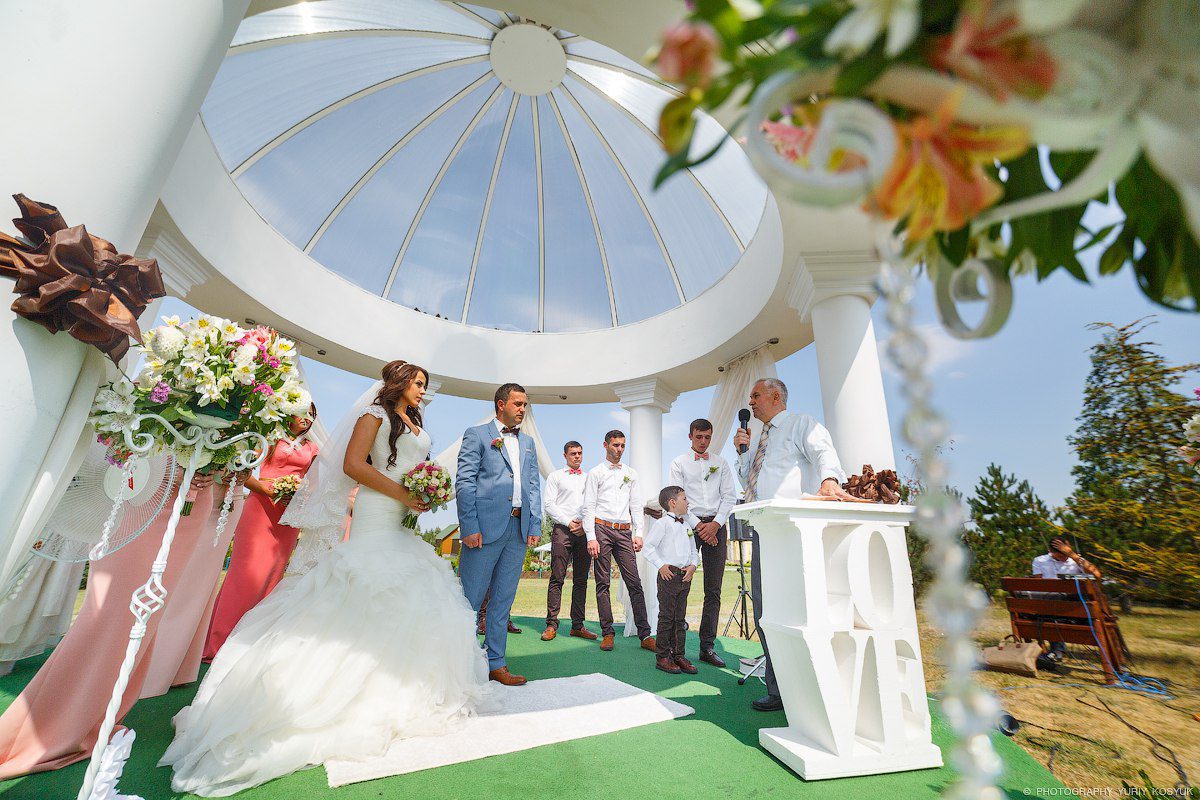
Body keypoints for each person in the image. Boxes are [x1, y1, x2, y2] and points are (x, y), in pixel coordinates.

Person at [161, 361, 490, 796]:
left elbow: (410, 465)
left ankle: (395, 679)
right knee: (367, 584)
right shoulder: (373, 415)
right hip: (377, 509)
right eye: (417, 383)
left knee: (413, 589)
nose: (422, 390)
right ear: (398, 383)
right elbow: (353, 465)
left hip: (400, 514)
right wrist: (402, 492)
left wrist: (423, 492)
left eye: (425, 385)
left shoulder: (413, 422)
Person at [0, 474, 218, 779]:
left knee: (147, 616)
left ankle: (100, 715)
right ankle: (58, 724)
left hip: (193, 503)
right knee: (111, 613)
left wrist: (217, 464)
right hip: (141, 490)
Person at [733, 378, 857, 712]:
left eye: (756, 395)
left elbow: (823, 451)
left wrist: (829, 479)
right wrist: (742, 452)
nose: (751, 401)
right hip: (764, 529)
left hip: (792, 531)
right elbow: (748, 481)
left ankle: (811, 688)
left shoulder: (800, 423)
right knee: (765, 610)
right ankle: (778, 689)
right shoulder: (760, 438)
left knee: (798, 608)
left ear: (775, 396)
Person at [203, 408, 319, 659]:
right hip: (259, 509)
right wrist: (267, 489)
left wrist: (300, 495)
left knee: (272, 576)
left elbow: (314, 484)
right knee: (243, 575)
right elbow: (242, 472)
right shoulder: (271, 437)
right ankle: (216, 642)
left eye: (312, 415)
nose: (307, 418)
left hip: (288, 517)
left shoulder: (312, 449)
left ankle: (248, 643)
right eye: (303, 412)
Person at [456, 383, 543, 687]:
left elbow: (534, 486)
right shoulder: (477, 434)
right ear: (501, 404)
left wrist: (534, 525)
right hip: (483, 530)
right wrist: (469, 526)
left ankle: (496, 663)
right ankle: (461, 663)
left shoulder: (528, 443)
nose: (523, 409)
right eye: (518, 404)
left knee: (503, 602)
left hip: (518, 531)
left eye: (525, 405)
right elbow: (465, 481)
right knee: (469, 601)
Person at [667, 419, 737, 668]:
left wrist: (716, 524)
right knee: (680, 586)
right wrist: (699, 526)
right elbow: (677, 499)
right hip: (688, 526)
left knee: (714, 589)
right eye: (699, 437)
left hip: (717, 527)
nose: (703, 441)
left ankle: (707, 647)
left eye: (707, 437)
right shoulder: (679, 463)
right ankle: (676, 649)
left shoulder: (721, 463)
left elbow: (729, 496)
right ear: (690, 436)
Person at [582, 430, 656, 654]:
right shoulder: (595, 473)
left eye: (623, 445)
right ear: (605, 445)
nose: (620, 449)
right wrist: (591, 537)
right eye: (615, 445)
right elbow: (588, 506)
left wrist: (639, 533)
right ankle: (608, 633)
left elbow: (636, 505)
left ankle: (645, 634)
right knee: (602, 583)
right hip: (601, 529)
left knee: (634, 582)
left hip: (624, 532)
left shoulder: (631, 473)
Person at [541, 441, 595, 641]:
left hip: (584, 531)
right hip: (562, 530)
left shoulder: (589, 478)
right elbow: (548, 504)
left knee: (581, 580)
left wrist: (583, 523)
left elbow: (593, 504)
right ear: (565, 455)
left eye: (580, 453)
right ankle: (551, 624)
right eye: (573, 453)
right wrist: (568, 522)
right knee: (557, 577)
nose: (577, 456)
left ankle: (577, 626)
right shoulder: (555, 476)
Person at [643, 486, 699, 676]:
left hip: (685, 576)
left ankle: (678, 655)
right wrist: (661, 566)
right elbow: (648, 547)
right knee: (667, 617)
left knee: (680, 618)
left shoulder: (687, 525)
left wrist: (693, 566)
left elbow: (694, 550)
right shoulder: (662, 524)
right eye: (684, 498)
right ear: (672, 503)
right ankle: (662, 656)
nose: (688, 502)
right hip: (669, 576)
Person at [1032, 536, 1102, 660]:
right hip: (1052, 606)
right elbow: (1039, 586)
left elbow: (1096, 575)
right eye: (1061, 555)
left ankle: (1057, 652)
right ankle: (1057, 651)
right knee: (1051, 603)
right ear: (1050, 551)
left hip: (1075, 607)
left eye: (1066, 553)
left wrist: (1073, 555)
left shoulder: (1076, 560)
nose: (1065, 558)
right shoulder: (1040, 560)